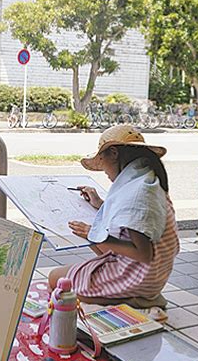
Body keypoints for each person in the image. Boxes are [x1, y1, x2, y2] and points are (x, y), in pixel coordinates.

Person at [49, 125, 179, 308]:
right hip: (153, 276)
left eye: (103, 166)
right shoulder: (146, 181)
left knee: (56, 279)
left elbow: (143, 253)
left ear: (114, 153)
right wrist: (99, 204)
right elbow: (133, 220)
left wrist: (90, 233)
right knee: (86, 255)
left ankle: (132, 299)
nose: (107, 174)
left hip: (139, 276)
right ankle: (134, 296)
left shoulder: (138, 192)